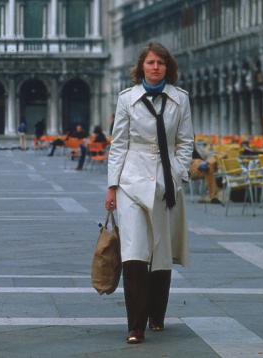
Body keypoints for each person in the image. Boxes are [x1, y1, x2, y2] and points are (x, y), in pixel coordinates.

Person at [105, 42, 193, 344]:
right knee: (134, 252)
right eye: (151, 62)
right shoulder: (127, 99)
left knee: (161, 252)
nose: (156, 67)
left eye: (161, 63)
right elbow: (118, 144)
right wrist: (112, 186)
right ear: (141, 66)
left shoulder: (180, 99)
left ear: (168, 68)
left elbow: (185, 142)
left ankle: (158, 314)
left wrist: (178, 174)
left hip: (166, 184)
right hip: (131, 180)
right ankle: (135, 326)